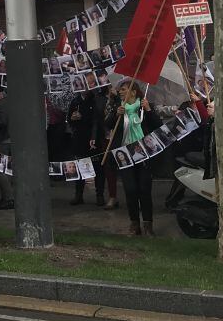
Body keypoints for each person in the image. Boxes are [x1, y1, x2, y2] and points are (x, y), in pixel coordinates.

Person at [114, 81, 161, 236]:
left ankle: (148, 225)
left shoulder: (144, 106)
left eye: (123, 90)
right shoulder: (119, 107)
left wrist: (148, 110)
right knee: (130, 189)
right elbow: (108, 125)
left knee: (144, 189)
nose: (120, 93)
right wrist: (117, 116)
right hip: (125, 154)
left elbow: (158, 125)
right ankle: (134, 224)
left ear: (133, 92)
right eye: (119, 90)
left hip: (144, 153)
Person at [68, 89, 104, 205]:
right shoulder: (75, 101)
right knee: (80, 166)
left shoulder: (95, 100)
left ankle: (100, 195)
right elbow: (69, 119)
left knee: (97, 167)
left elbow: (97, 119)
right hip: (79, 138)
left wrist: (83, 118)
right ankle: (78, 194)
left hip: (94, 138)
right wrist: (72, 118)